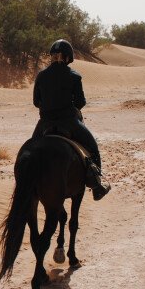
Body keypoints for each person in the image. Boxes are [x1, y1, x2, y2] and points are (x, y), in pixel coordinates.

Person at [31, 39, 111, 201]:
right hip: (69, 122)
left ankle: (28, 183)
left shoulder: (41, 75)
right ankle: (97, 187)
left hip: (45, 123)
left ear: (52, 56)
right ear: (68, 58)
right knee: (93, 147)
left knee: (31, 150)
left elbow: (36, 102)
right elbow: (81, 102)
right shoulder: (74, 76)